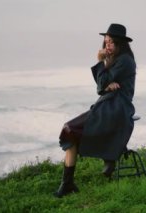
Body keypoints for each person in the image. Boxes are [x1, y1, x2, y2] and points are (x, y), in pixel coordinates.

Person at [53, 23, 136, 198]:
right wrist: (106, 83)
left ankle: (109, 156)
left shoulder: (125, 61)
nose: (107, 46)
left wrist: (101, 64)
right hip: (107, 104)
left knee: (69, 129)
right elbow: (101, 87)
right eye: (106, 42)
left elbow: (100, 84)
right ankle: (67, 183)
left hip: (117, 108)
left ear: (120, 43)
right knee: (70, 133)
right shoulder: (114, 60)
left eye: (112, 42)